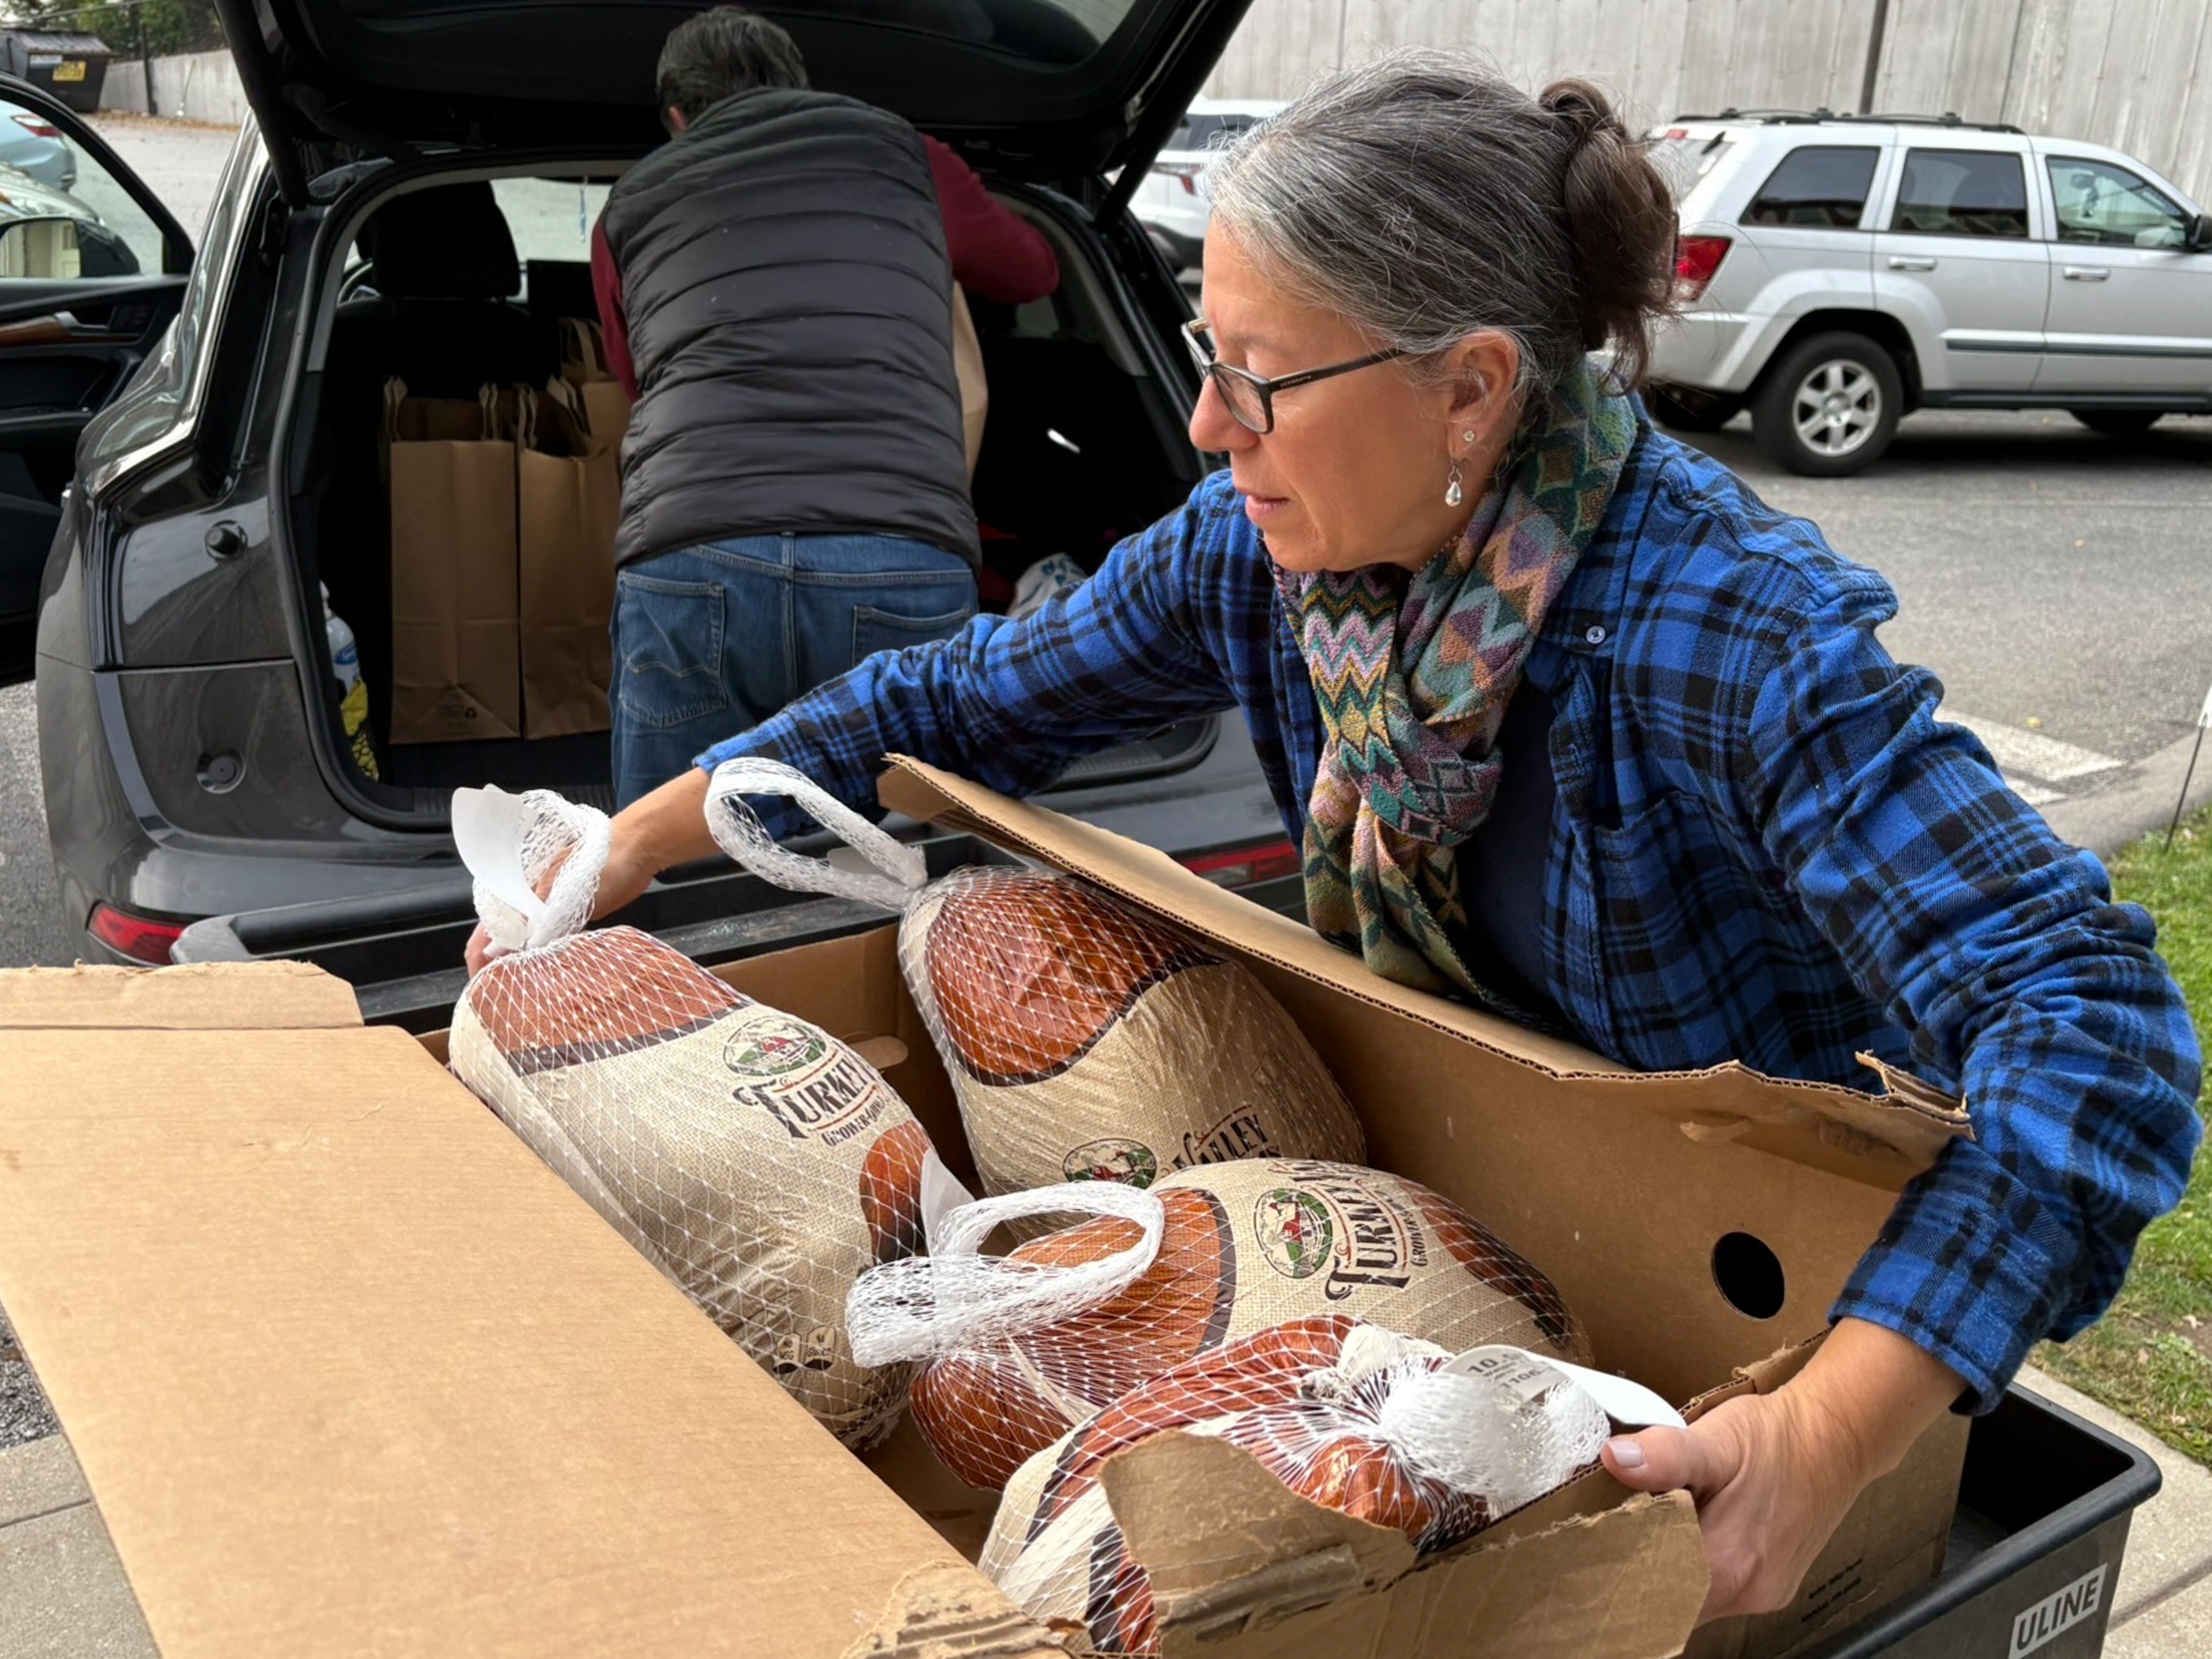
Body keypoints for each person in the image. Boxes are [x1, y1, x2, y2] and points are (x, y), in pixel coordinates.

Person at [484, 53, 2202, 1620]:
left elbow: (2097, 1032)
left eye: (1257, 377)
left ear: (1467, 393)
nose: (1209, 424)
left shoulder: (1727, 633)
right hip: (1452, 1242)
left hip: (1726, 1322)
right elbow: (976, 691)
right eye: (1206, 356)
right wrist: (645, 829)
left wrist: (1826, 1430)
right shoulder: (1273, 560)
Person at [591, 6, 1060, 805]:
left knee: (674, 852)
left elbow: (634, 378)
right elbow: (1032, 274)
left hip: (696, 552)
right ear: (801, 87)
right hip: (897, 549)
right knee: (908, 858)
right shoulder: (908, 156)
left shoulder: (630, 202)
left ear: (675, 117)